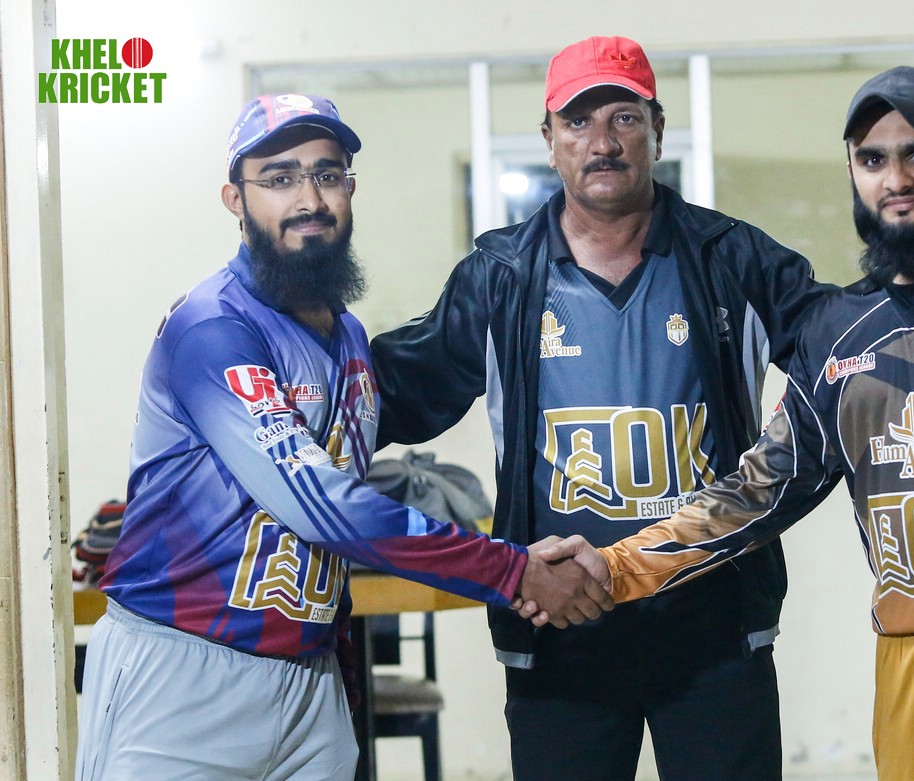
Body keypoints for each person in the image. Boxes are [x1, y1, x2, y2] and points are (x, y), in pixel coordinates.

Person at [535, 66, 914, 781]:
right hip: (913, 669)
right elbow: (755, 494)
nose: (897, 179)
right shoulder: (838, 330)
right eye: (873, 159)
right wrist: (614, 566)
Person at [74, 93, 611, 781]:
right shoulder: (212, 328)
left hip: (309, 678)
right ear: (235, 199)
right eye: (279, 178)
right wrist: (511, 571)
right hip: (183, 674)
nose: (309, 199)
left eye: (327, 175)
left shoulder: (348, 334)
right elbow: (320, 504)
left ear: (350, 190)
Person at [369, 36, 827, 781]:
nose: (602, 142)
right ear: (549, 140)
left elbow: (847, 355)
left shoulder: (731, 259)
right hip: (559, 624)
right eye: (578, 122)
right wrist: (281, 370)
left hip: (711, 623)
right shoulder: (500, 277)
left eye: (624, 118)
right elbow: (396, 389)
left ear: (657, 130)